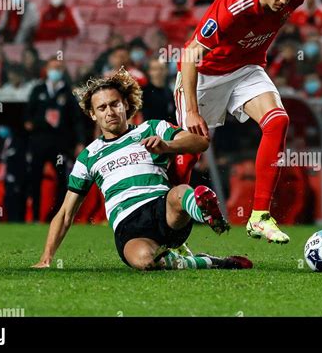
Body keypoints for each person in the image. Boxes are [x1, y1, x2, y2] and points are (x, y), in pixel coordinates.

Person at [32, 69, 252, 271]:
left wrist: (167, 146)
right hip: (128, 225)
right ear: (92, 114)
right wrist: (46, 257)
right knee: (145, 262)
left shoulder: (152, 128)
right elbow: (65, 213)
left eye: (115, 104)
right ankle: (208, 261)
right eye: (102, 107)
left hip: (163, 208)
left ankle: (204, 211)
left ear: (126, 105)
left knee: (180, 192)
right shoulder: (88, 157)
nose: (110, 111)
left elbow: (200, 142)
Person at [174, 0, 307, 244]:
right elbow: (189, 54)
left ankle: (259, 216)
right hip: (205, 75)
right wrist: (193, 112)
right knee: (190, 152)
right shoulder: (235, 5)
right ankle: (168, 230)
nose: (284, 1)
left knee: (278, 121)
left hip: (246, 69)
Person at [25, 57, 86, 222]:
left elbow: (76, 121)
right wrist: (40, 122)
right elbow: (27, 118)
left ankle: (58, 216)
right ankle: (36, 217)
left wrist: (80, 142)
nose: (56, 71)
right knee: (35, 179)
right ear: (46, 69)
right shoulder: (37, 90)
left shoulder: (68, 93)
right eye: (53, 68)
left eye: (59, 68)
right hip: (39, 143)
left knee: (62, 181)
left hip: (60, 145)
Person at [142, 58, 176, 123]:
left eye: (161, 68)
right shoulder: (142, 93)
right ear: (149, 71)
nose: (159, 72)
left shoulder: (170, 92)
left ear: (167, 70)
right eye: (155, 69)